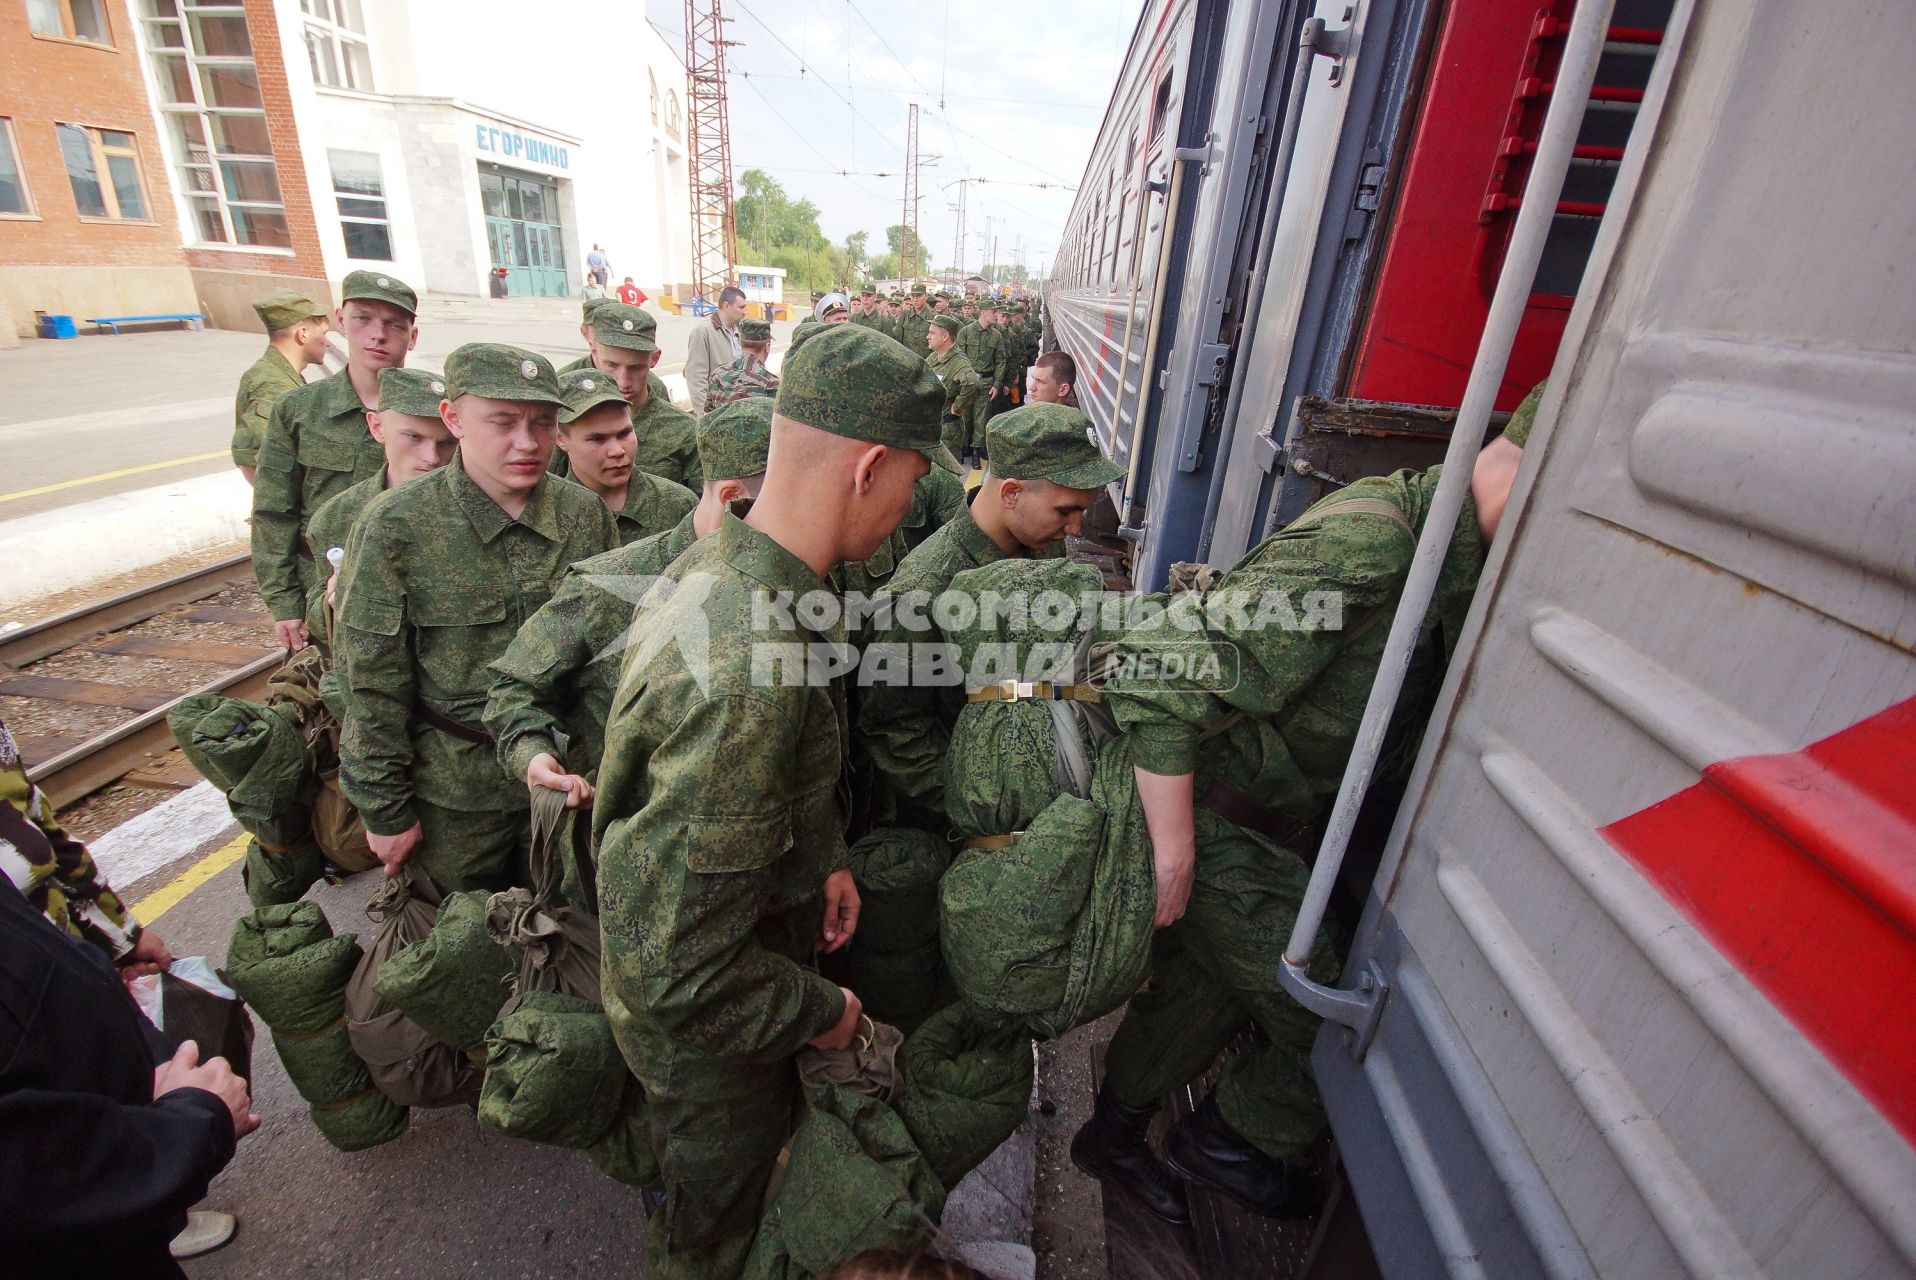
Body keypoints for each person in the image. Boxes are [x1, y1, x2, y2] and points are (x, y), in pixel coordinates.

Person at [1069, 400, 1536, 1225]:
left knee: (1201, 994)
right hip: (1212, 815)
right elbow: (1160, 675)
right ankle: (1231, 1139)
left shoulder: (1445, 552)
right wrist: (1173, 855)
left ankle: (1110, 1138)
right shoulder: (1380, 546)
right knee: (1336, 1015)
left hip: (1253, 820)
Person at [594, 325, 947, 1280]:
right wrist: (825, 1011)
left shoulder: (739, 572)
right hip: (711, 1042)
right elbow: (680, 974)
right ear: (869, 467)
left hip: (736, 965)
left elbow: (760, 785)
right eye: (913, 479)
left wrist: (822, 850)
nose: (912, 506)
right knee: (716, 1231)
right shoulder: (751, 661)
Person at [334, 343, 618, 892]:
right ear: (453, 419)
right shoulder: (397, 526)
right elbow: (370, 681)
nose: (527, 442)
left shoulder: (583, 515)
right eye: (503, 422)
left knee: (572, 946)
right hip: (456, 801)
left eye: (542, 423)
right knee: (461, 949)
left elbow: (604, 658)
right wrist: (385, 809)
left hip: (566, 783)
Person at [1, 720, 251, 1278]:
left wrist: (117, 938)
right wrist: (193, 1127)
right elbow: (34, 1174)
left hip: (52, 951)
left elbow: (42, 831)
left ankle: (156, 1212)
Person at [484, 396, 775, 829]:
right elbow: (515, 687)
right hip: (634, 840)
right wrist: (534, 752)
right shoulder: (612, 585)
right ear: (733, 498)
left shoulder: (787, 578)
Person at [859, 403, 1119, 833]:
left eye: (1082, 512)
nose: (1075, 529)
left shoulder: (1040, 545)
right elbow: (894, 733)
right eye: (1065, 511)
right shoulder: (923, 593)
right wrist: (983, 806)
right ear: (1011, 493)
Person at [251, 270, 419, 653]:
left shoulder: (438, 411)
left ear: (413, 335)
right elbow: (273, 512)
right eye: (363, 318)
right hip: (325, 594)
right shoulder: (298, 411)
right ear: (340, 321)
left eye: (394, 324)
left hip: (418, 585)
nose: (378, 334)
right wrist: (284, 604)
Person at [303, 368, 458, 653]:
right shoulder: (338, 517)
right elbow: (319, 623)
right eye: (413, 437)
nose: (432, 457)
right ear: (376, 427)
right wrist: (332, 598)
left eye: (448, 442)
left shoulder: (481, 504)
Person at [555, 367, 697, 545]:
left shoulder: (678, 505)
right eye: (597, 439)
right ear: (560, 439)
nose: (617, 451)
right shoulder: (548, 517)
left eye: (624, 434)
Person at [576, 302, 703, 491]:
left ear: (654, 359)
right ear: (594, 352)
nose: (623, 381)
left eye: (636, 368)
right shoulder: (573, 421)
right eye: (612, 365)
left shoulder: (685, 432)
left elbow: (702, 509)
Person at [232, 290, 328, 487]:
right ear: (303, 334)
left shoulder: (279, 374)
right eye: (323, 334)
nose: (326, 342)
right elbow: (252, 459)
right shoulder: (274, 385)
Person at [925, 314, 987, 467]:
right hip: (932, 427)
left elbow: (972, 383)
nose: (928, 337)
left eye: (932, 333)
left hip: (947, 433)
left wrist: (958, 406)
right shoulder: (934, 357)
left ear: (945, 336)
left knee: (946, 475)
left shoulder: (958, 362)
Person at [686, 285, 746, 415]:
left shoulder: (739, 331)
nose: (744, 312)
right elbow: (696, 377)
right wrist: (704, 416)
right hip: (715, 412)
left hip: (735, 410)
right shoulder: (703, 332)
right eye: (741, 307)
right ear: (726, 306)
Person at [704, 317, 779, 411]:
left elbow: (708, 416)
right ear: (767, 347)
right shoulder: (772, 383)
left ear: (739, 343)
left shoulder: (717, 374)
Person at [958, 299, 1010, 419]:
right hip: (967, 384)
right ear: (983, 312)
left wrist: (996, 385)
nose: (997, 315)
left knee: (981, 427)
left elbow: (1000, 361)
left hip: (986, 385)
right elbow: (958, 358)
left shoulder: (996, 335)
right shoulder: (966, 331)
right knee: (963, 423)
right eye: (994, 311)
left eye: (997, 311)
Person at [892, 282, 932, 358]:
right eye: (913, 296)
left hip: (925, 361)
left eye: (919, 296)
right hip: (907, 360)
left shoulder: (933, 316)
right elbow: (898, 339)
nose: (915, 299)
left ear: (926, 296)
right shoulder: (905, 314)